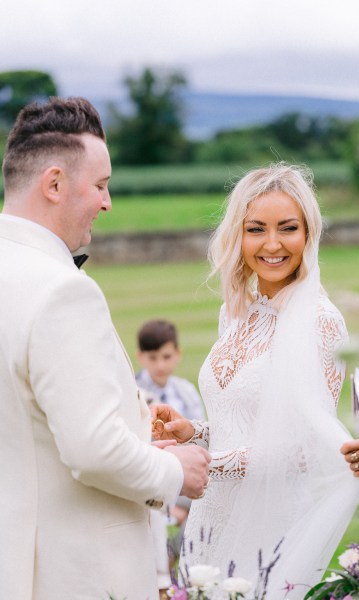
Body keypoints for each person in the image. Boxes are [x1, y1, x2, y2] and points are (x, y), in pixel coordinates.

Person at [0, 96, 210, 600]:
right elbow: (91, 450)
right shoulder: (61, 290)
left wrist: (136, 438)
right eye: (100, 184)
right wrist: (174, 469)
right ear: (54, 184)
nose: (107, 201)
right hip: (71, 575)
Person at [152, 163, 359, 598]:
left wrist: (209, 465)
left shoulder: (320, 323)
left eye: (287, 228)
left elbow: (303, 449)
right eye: (256, 229)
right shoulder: (235, 313)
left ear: (308, 234)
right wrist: (195, 433)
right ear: (239, 236)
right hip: (210, 518)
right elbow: (246, 424)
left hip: (269, 523)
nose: (272, 244)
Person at [136, 319, 206, 595]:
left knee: (205, 504)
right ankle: (164, 566)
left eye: (166, 357)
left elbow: (200, 435)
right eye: (152, 358)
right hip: (154, 475)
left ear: (177, 354)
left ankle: (179, 563)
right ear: (141, 357)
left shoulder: (185, 391)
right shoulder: (135, 392)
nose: (160, 365)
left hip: (186, 476)